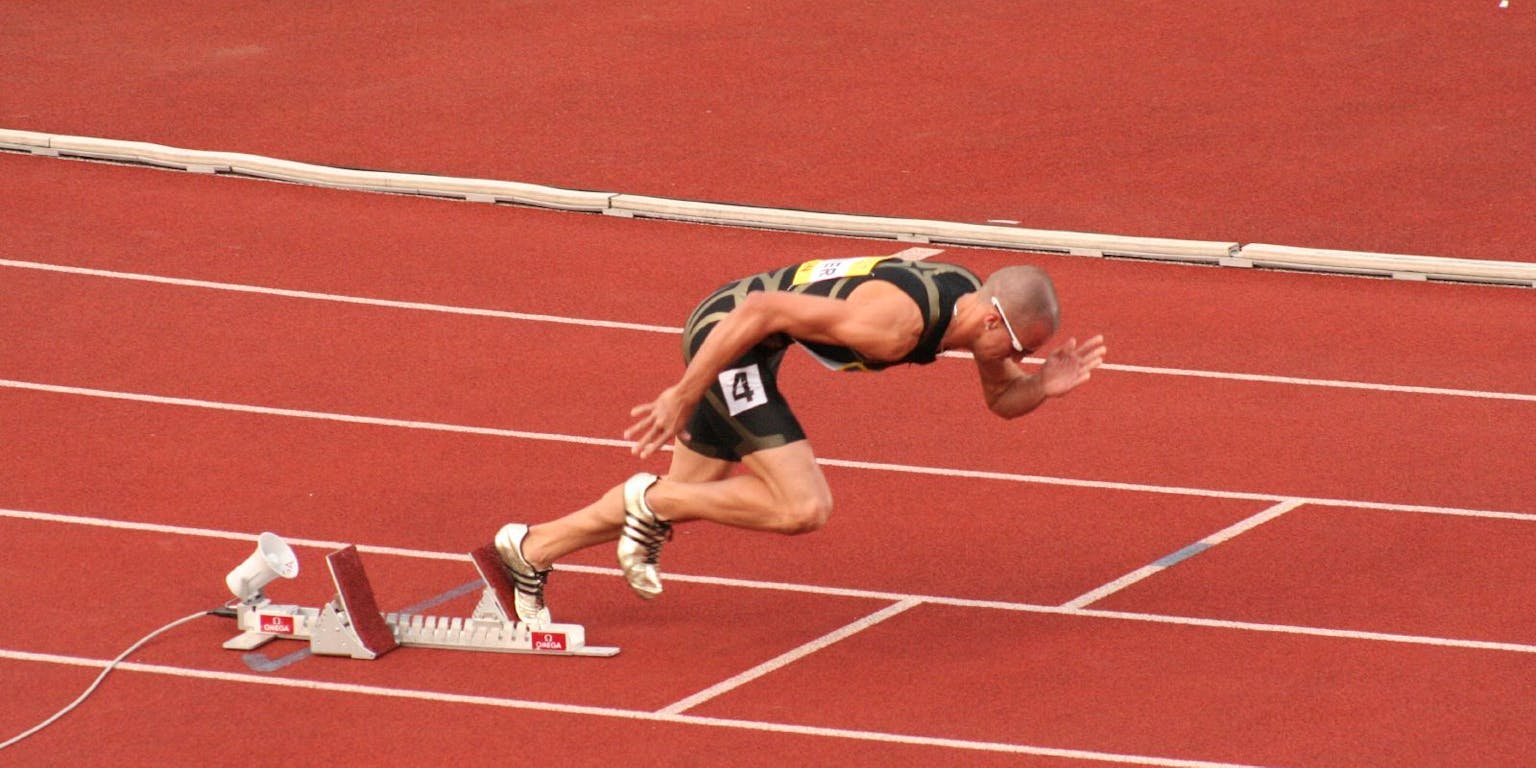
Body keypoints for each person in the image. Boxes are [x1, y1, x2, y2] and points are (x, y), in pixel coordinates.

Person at [490, 255, 1106, 625]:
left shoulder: (970, 307)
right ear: (994, 318)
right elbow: (758, 311)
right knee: (802, 506)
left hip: (759, 343)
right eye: (1022, 349)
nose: (1014, 360)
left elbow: (1001, 399)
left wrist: (1043, 387)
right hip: (731, 336)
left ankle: (531, 547)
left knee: (698, 490)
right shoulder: (895, 324)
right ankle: (650, 502)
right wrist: (682, 393)